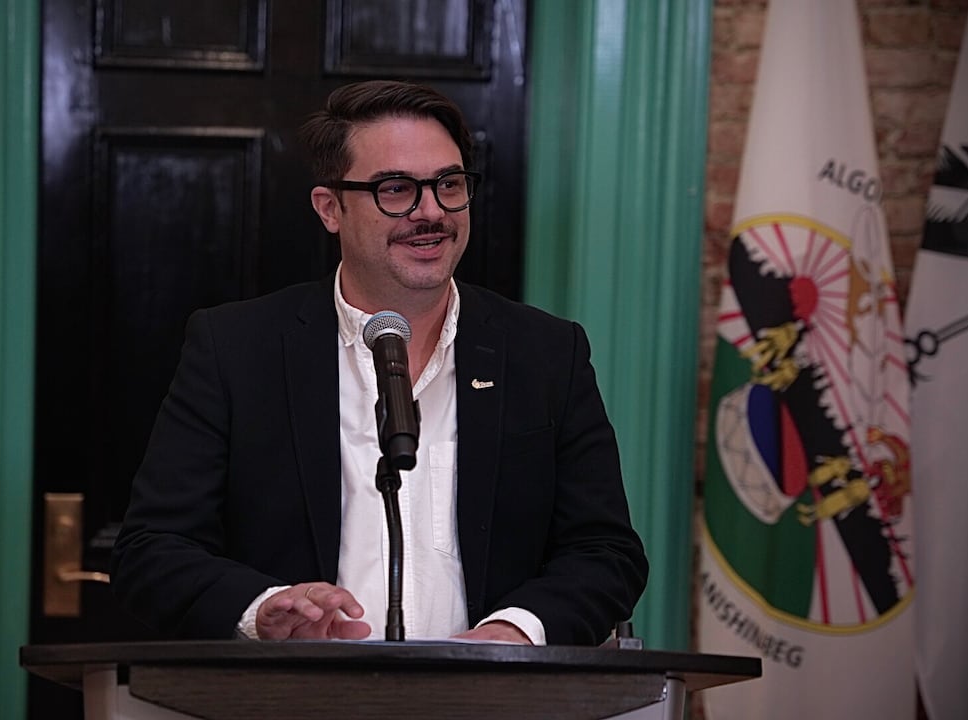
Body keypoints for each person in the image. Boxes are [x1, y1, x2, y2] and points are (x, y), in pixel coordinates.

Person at [111, 80, 648, 645]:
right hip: (296, 689)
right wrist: (263, 609)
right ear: (330, 209)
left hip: (493, 688)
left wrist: (514, 633)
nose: (431, 211)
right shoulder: (236, 349)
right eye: (396, 189)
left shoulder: (546, 352)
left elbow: (606, 552)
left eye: (448, 184)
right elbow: (152, 551)